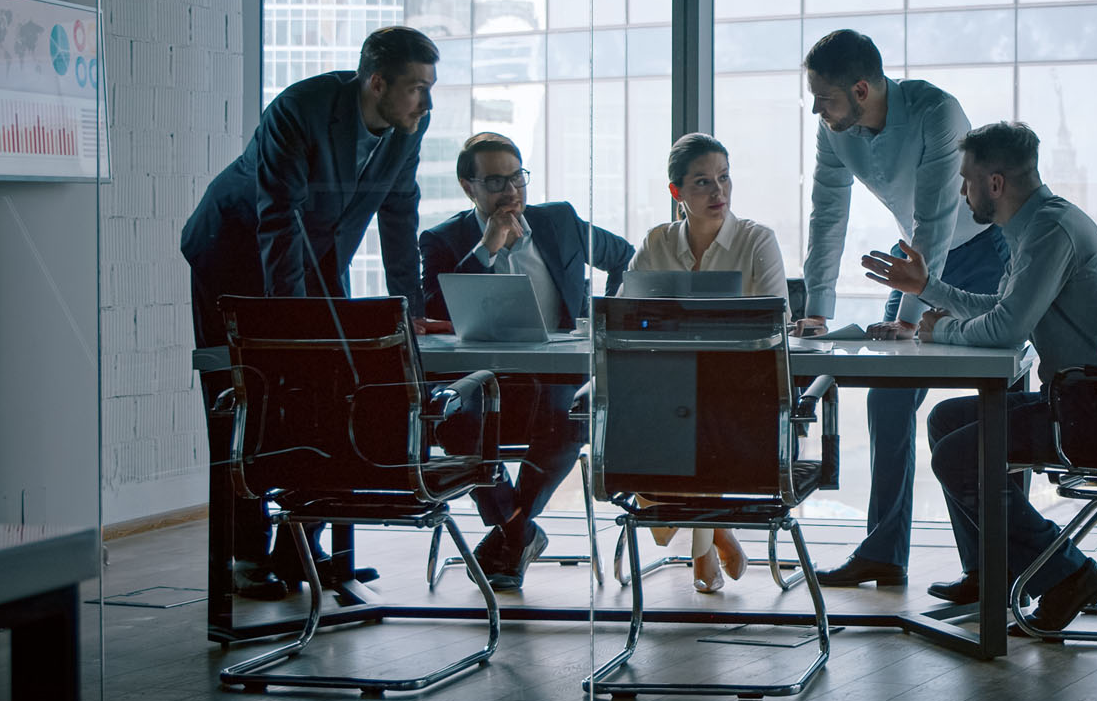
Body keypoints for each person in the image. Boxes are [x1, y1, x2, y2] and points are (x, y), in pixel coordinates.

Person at [182, 26, 439, 601]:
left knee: (334, 393)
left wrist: (411, 311)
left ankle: (300, 544)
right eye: (417, 87)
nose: (427, 102)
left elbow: (400, 214)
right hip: (234, 254)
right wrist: (292, 325)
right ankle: (246, 555)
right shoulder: (300, 109)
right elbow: (276, 217)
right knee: (245, 397)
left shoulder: (409, 125)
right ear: (377, 83)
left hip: (316, 254)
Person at [863, 121, 1097, 633]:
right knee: (947, 421)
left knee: (958, 456)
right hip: (1087, 399)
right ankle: (988, 571)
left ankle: (1069, 573)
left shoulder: (1049, 232)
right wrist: (927, 288)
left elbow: (1006, 329)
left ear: (994, 184)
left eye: (967, 179)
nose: (962, 192)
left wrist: (941, 330)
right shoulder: (1037, 225)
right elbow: (1001, 307)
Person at [793, 30, 1009, 590]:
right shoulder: (834, 131)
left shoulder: (937, 113)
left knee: (990, 404)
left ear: (862, 90)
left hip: (983, 254)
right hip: (914, 258)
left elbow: (935, 219)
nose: (817, 110)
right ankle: (885, 552)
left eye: (825, 98)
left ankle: (992, 569)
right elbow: (826, 215)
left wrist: (910, 316)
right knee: (887, 398)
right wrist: (817, 309)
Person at [418, 132, 635, 589]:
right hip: (482, 380)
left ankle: (511, 532)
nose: (511, 191)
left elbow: (624, 257)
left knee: (568, 417)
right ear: (468, 187)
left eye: (517, 177)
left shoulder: (559, 221)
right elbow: (435, 309)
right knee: (454, 422)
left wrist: (602, 317)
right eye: (496, 182)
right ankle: (519, 533)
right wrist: (487, 248)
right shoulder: (443, 239)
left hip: (556, 376)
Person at [631, 133, 790, 593]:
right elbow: (626, 314)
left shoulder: (756, 240)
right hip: (671, 390)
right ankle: (715, 530)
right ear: (676, 192)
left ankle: (703, 545)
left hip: (740, 394)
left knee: (693, 415)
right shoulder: (657, 242)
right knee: (658, 413)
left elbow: (775, 323)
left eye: (724, 178)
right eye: (702, 182)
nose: (718, 191)